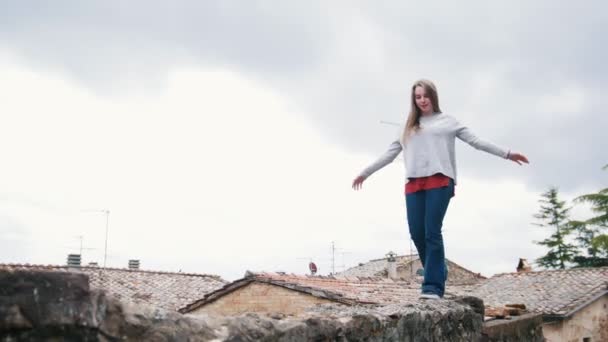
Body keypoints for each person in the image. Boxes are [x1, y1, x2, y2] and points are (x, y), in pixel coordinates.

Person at [352, 79, 529, 300]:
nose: (422, 100)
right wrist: (365, 172)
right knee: (417, 233)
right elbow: (390, 154)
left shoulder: (448, 122)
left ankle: (433, 286)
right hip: (414, 183)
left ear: (433, 97)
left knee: (431, 231)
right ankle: (439, 269)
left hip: (440, 180)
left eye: (425, 95)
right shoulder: (406, 127)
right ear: (414, 100)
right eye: (418, 97)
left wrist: (507, 153)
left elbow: (476, 141)